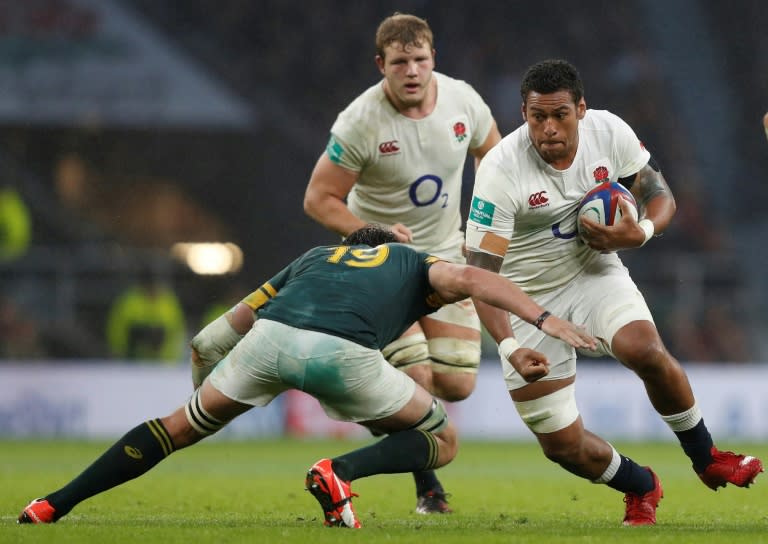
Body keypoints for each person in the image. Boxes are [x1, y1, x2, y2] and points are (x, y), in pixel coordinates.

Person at [18, 224, 596, 528]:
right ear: (391, 244)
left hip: (269, 341)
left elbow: (211, 338)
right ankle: (337, 472)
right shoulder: (412, 259)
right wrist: (532, 325)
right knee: (440, 439)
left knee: (176, 428)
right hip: (345, 353)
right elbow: (474, 281)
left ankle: (53, 505)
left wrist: (207, 392)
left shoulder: (313, 258)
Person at [464, 59, 763, 526]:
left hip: (592, 272)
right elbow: (481, 276)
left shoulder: (610, 132)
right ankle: (640, 485)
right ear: (523, 113)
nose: (548, 128)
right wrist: (507, 344)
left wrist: (639, 233)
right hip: (523, 298)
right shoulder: (501, 171)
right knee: (562, 446)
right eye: (536, 116)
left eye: (559, 114)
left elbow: (659, 193)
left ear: (581, 109)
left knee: (643, 347)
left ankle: (707, 457)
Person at [303, 12, 502, 513]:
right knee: (417, 383)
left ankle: (368, 399)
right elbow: (319, 198)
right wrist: (370, 233)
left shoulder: (464, 101)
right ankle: (429, 492)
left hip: (446, 259)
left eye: (420, 59)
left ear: (434, 58)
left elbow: (493, 157)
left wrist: (486, 224)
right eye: (399, 62)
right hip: (381, 267)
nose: (411, 71)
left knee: (456, 383)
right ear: (381, 65)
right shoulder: (360, 122)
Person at [106, 268, 187, 362]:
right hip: (132, 363)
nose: (152, 289)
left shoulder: (169, 303)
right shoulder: (129, 302)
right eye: (148, 285)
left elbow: (177, 332)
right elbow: (116, 331)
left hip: (162, 364)